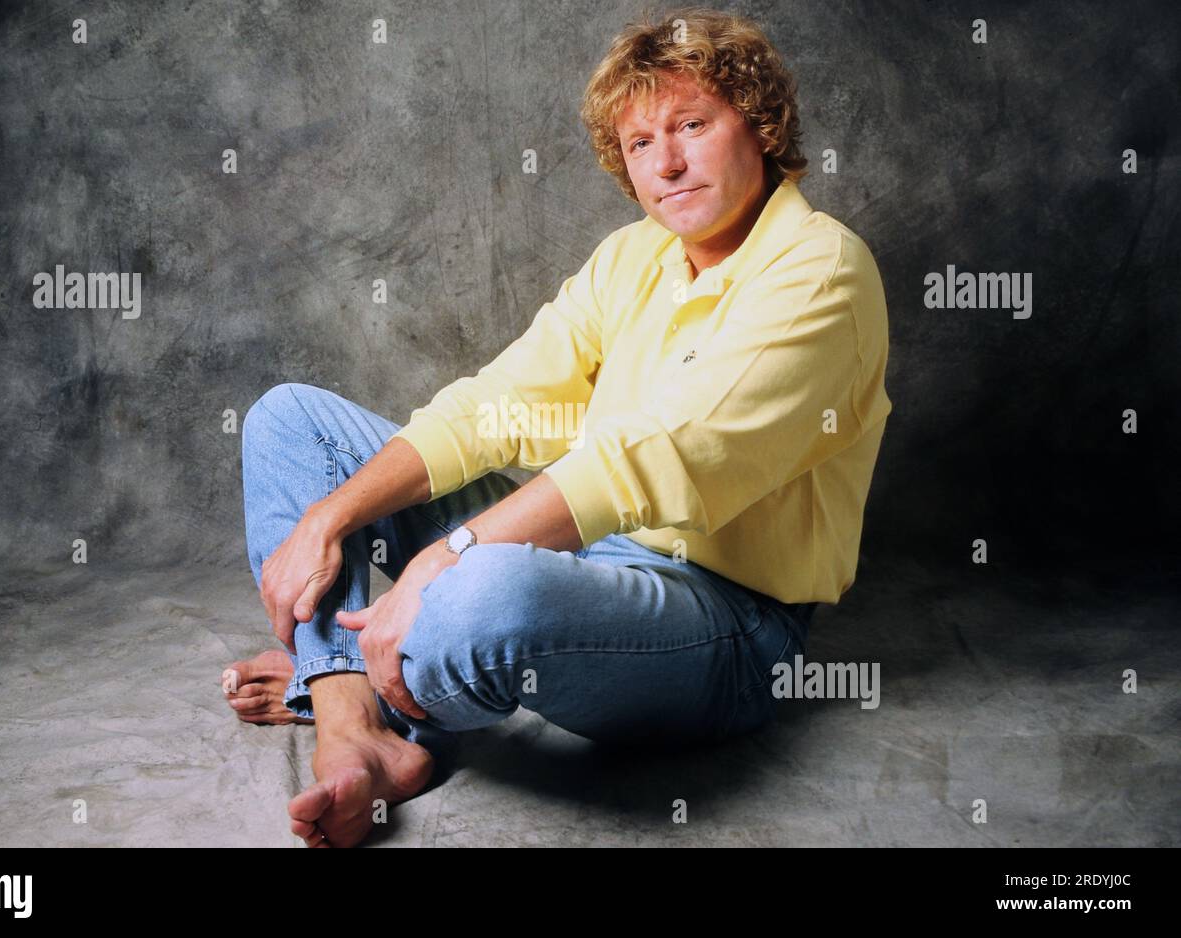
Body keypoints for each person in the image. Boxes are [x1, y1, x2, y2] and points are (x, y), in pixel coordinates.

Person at [223, 7, 893, 848]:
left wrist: (443, 559)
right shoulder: (634, 258)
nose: (668, 162)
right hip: (579, 547)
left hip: (728, 622)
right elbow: (492, 406)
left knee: (486, 598)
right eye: (642, 142)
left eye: (691, 125)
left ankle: (343, 683)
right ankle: (349, 713)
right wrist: (326, 519)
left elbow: (659, 461)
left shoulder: (821, 269)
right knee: (291, 422)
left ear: (757, 126)